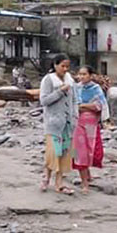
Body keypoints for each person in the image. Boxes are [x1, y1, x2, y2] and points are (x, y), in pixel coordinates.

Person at [39, 54, 77, 195]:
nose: (65, 69)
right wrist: (60, 92)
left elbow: (74, 100)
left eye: (67, 66)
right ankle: (46, 178)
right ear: (55, 65)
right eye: (62, 66)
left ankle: (59, 183)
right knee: (53, 152)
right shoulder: (48, 80)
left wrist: (75, 116)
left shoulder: (70, 80)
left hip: (68, 124)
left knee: (65, 153)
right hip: (53, 123)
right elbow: (44, 101)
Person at [72, 66, 108, 194]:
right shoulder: (76, 88)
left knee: (93, 151)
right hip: (78, 124)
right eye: (80, 74)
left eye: (84, 74)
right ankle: (84, 183)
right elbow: (74, 106)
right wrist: (88, 107)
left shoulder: (96, 89)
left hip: (92, 125)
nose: (81, 77)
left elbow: (99, 106)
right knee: (80, 152)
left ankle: (88, 173)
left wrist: (83, 106)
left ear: (90, 75)